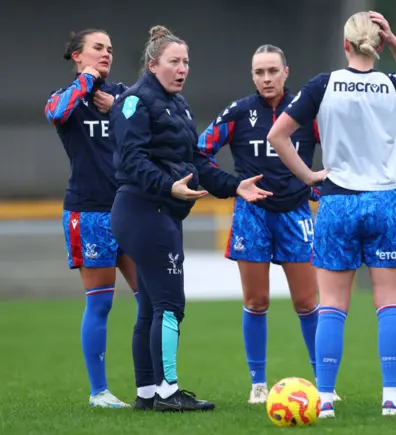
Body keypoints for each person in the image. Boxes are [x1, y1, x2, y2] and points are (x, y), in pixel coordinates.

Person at [109, 25, 271, 412]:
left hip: (161, 211)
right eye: (174, 62)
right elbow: (132, 159)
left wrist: (235, 186)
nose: (182, 69)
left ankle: (148, 394)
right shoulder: (134, 102)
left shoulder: (179, 105)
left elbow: (196, 160)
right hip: (142, 210)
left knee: (150, 306)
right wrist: (168, 187)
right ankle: (168, 391)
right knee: (170, 303)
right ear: (153, 64)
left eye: (186, 62)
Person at [267, 11, 396, 418]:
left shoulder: (324, 84)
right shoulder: (394, 85)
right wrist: (393, 36)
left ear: (345, 45)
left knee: (332, 304)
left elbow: (277, 135)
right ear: (379, 44)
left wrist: (309, 176)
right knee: (390, 304)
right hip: (385, 201)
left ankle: (327, 399)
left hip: (336, 200)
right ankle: (392, 398)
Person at [197, 44, 340, 404]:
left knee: (308, 302)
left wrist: (322, 188)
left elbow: (341, 150)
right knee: (256, 301)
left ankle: (324, 384)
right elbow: (200, 152)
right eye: (259, 72)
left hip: (295, 214)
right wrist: (232, 186)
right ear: (252, 76)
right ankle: (258, 385)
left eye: (272, 71)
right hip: (252, 217)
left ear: (286, 72)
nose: (266, 78)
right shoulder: (239, 113)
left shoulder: (308, 113)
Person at [44, 29, 137, 408]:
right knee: (100, 303)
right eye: (98, 48)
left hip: (131, 209)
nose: (107, 54)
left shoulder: (122, 95)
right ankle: (99, 392)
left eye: (110, 49)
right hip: (89, 212)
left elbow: (146, 124)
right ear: (77, 56)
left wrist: (113, 106)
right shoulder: (64, 99)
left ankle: (156, 386)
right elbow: (58, 112)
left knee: (154, 300)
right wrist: (86, 80)